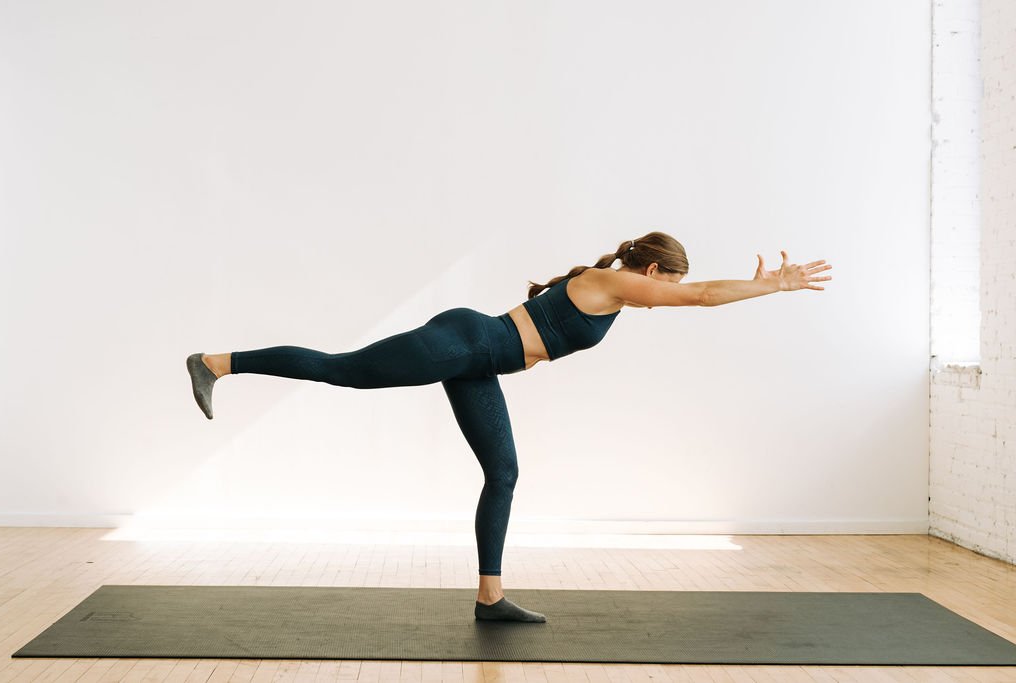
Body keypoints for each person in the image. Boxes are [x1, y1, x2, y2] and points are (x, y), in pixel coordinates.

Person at [185, 231, 832, 623]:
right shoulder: (612, 281)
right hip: (464, 343)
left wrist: (747, 288)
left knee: (504, 471)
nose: (669, 294)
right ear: (654, 272)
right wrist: (775, 286)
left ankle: (490, 600)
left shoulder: (611, 285)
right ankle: (216, 361)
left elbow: (698, 294)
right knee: (342, 370)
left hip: (477, 357)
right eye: (670, 283)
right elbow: (699, 298)